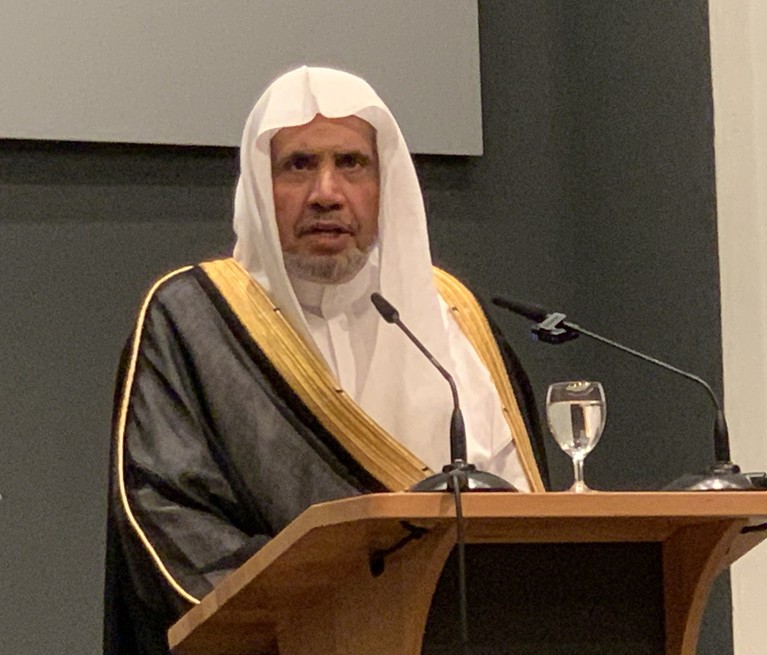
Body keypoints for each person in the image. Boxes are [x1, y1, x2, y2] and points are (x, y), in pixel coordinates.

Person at [103, 66, 550, 655]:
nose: (326, 193)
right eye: (298, 165)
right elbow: (168, 513)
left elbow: (521, 512)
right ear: (259, 186)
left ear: (385, 182)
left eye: (351, 163)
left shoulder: (449, 318)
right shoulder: (194, 318)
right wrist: (327, 603)